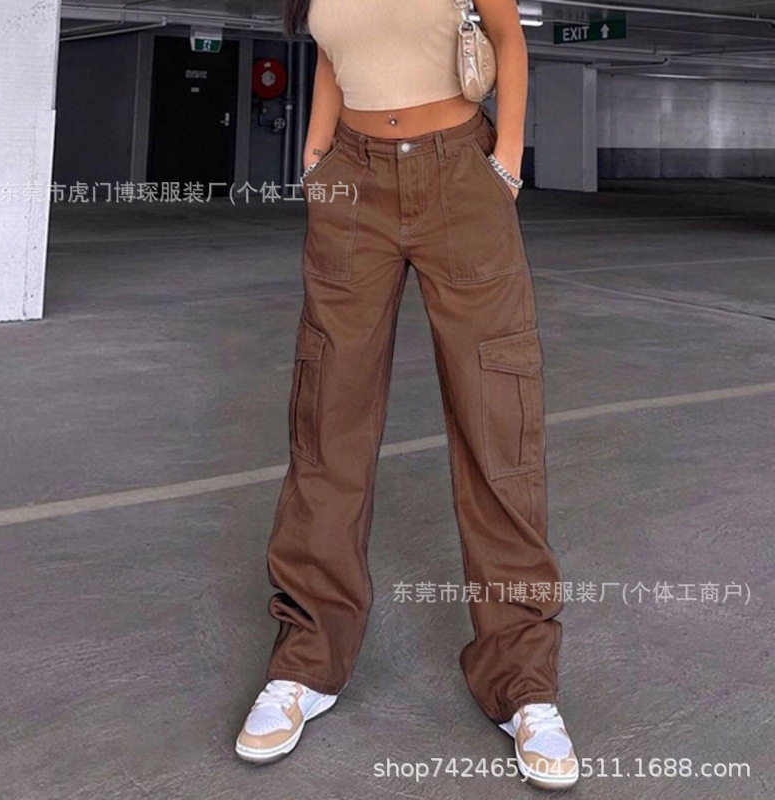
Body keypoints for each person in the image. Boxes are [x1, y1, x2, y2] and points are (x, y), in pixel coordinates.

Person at [236, 0, 579, 789]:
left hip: (461, 172)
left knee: (498, 425)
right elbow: (334, 55)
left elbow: (506, 39)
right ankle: (306, 662)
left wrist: (507, 161)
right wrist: (317, 156)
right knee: (327, 422)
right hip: (351, 182)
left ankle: (522, 681)